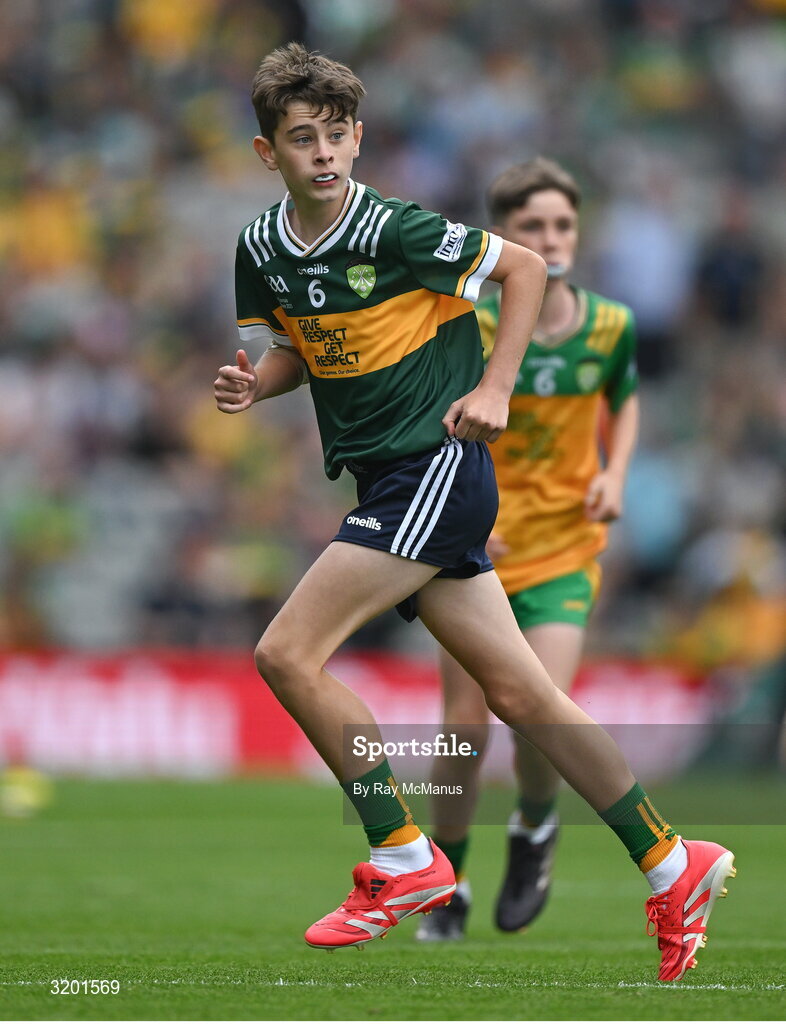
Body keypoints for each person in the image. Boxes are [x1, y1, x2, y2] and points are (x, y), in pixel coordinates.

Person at [213, 42, 734, 982]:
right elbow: (294, 351)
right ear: (267, 153)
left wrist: (496, 386)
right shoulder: (259, 249)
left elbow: (527, 269)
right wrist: (256, 386)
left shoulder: (398, 226)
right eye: (302, 138)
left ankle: (406, 859)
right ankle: (672, 860)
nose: (323, 153)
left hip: (434, 468)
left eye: (337, 135)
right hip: (387, 483)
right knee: (524, 695)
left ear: (359, 139)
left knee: (286, 654)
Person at [416, 157, 640, 942]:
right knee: (464, 728)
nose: (551, 239)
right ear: (502, 239)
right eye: (533, 228)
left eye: (562, 225)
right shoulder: (463, 325)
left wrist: (614, 472)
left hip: (565, 550)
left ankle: (535, 829)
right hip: (476, 554)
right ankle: (444, 880)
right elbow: (426, 427)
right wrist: (463, 519)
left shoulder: (611, 324)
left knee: (546, 715)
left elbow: (626, 396)